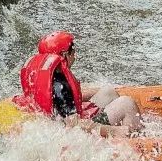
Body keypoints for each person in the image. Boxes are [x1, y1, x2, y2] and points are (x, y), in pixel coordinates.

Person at [12, 31, 141, 137]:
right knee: (127, 103)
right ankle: (134, 140)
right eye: (72, 49)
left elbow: (67, 102)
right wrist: (114, 131)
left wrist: (97, 91)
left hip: (58, 126)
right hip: (75, 132)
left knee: (108, 92)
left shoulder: (45, 77)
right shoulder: (60, 86)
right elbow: (74, 124)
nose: (74, 54)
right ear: (64, 54)